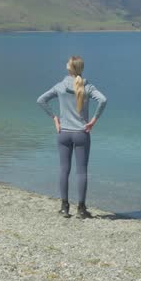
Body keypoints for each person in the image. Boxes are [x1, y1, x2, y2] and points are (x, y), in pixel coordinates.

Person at [35, 55, 107, 218]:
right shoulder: (87, 86)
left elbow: (41, 100)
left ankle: (64, 207)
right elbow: (103, 100)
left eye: (67, 62)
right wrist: (93, 121)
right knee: (81, 172)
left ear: (70, 68)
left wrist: (54, 118)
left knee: (64, 170)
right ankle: (81, 210)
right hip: (82, 134)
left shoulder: (60, 86)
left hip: (64, 134)